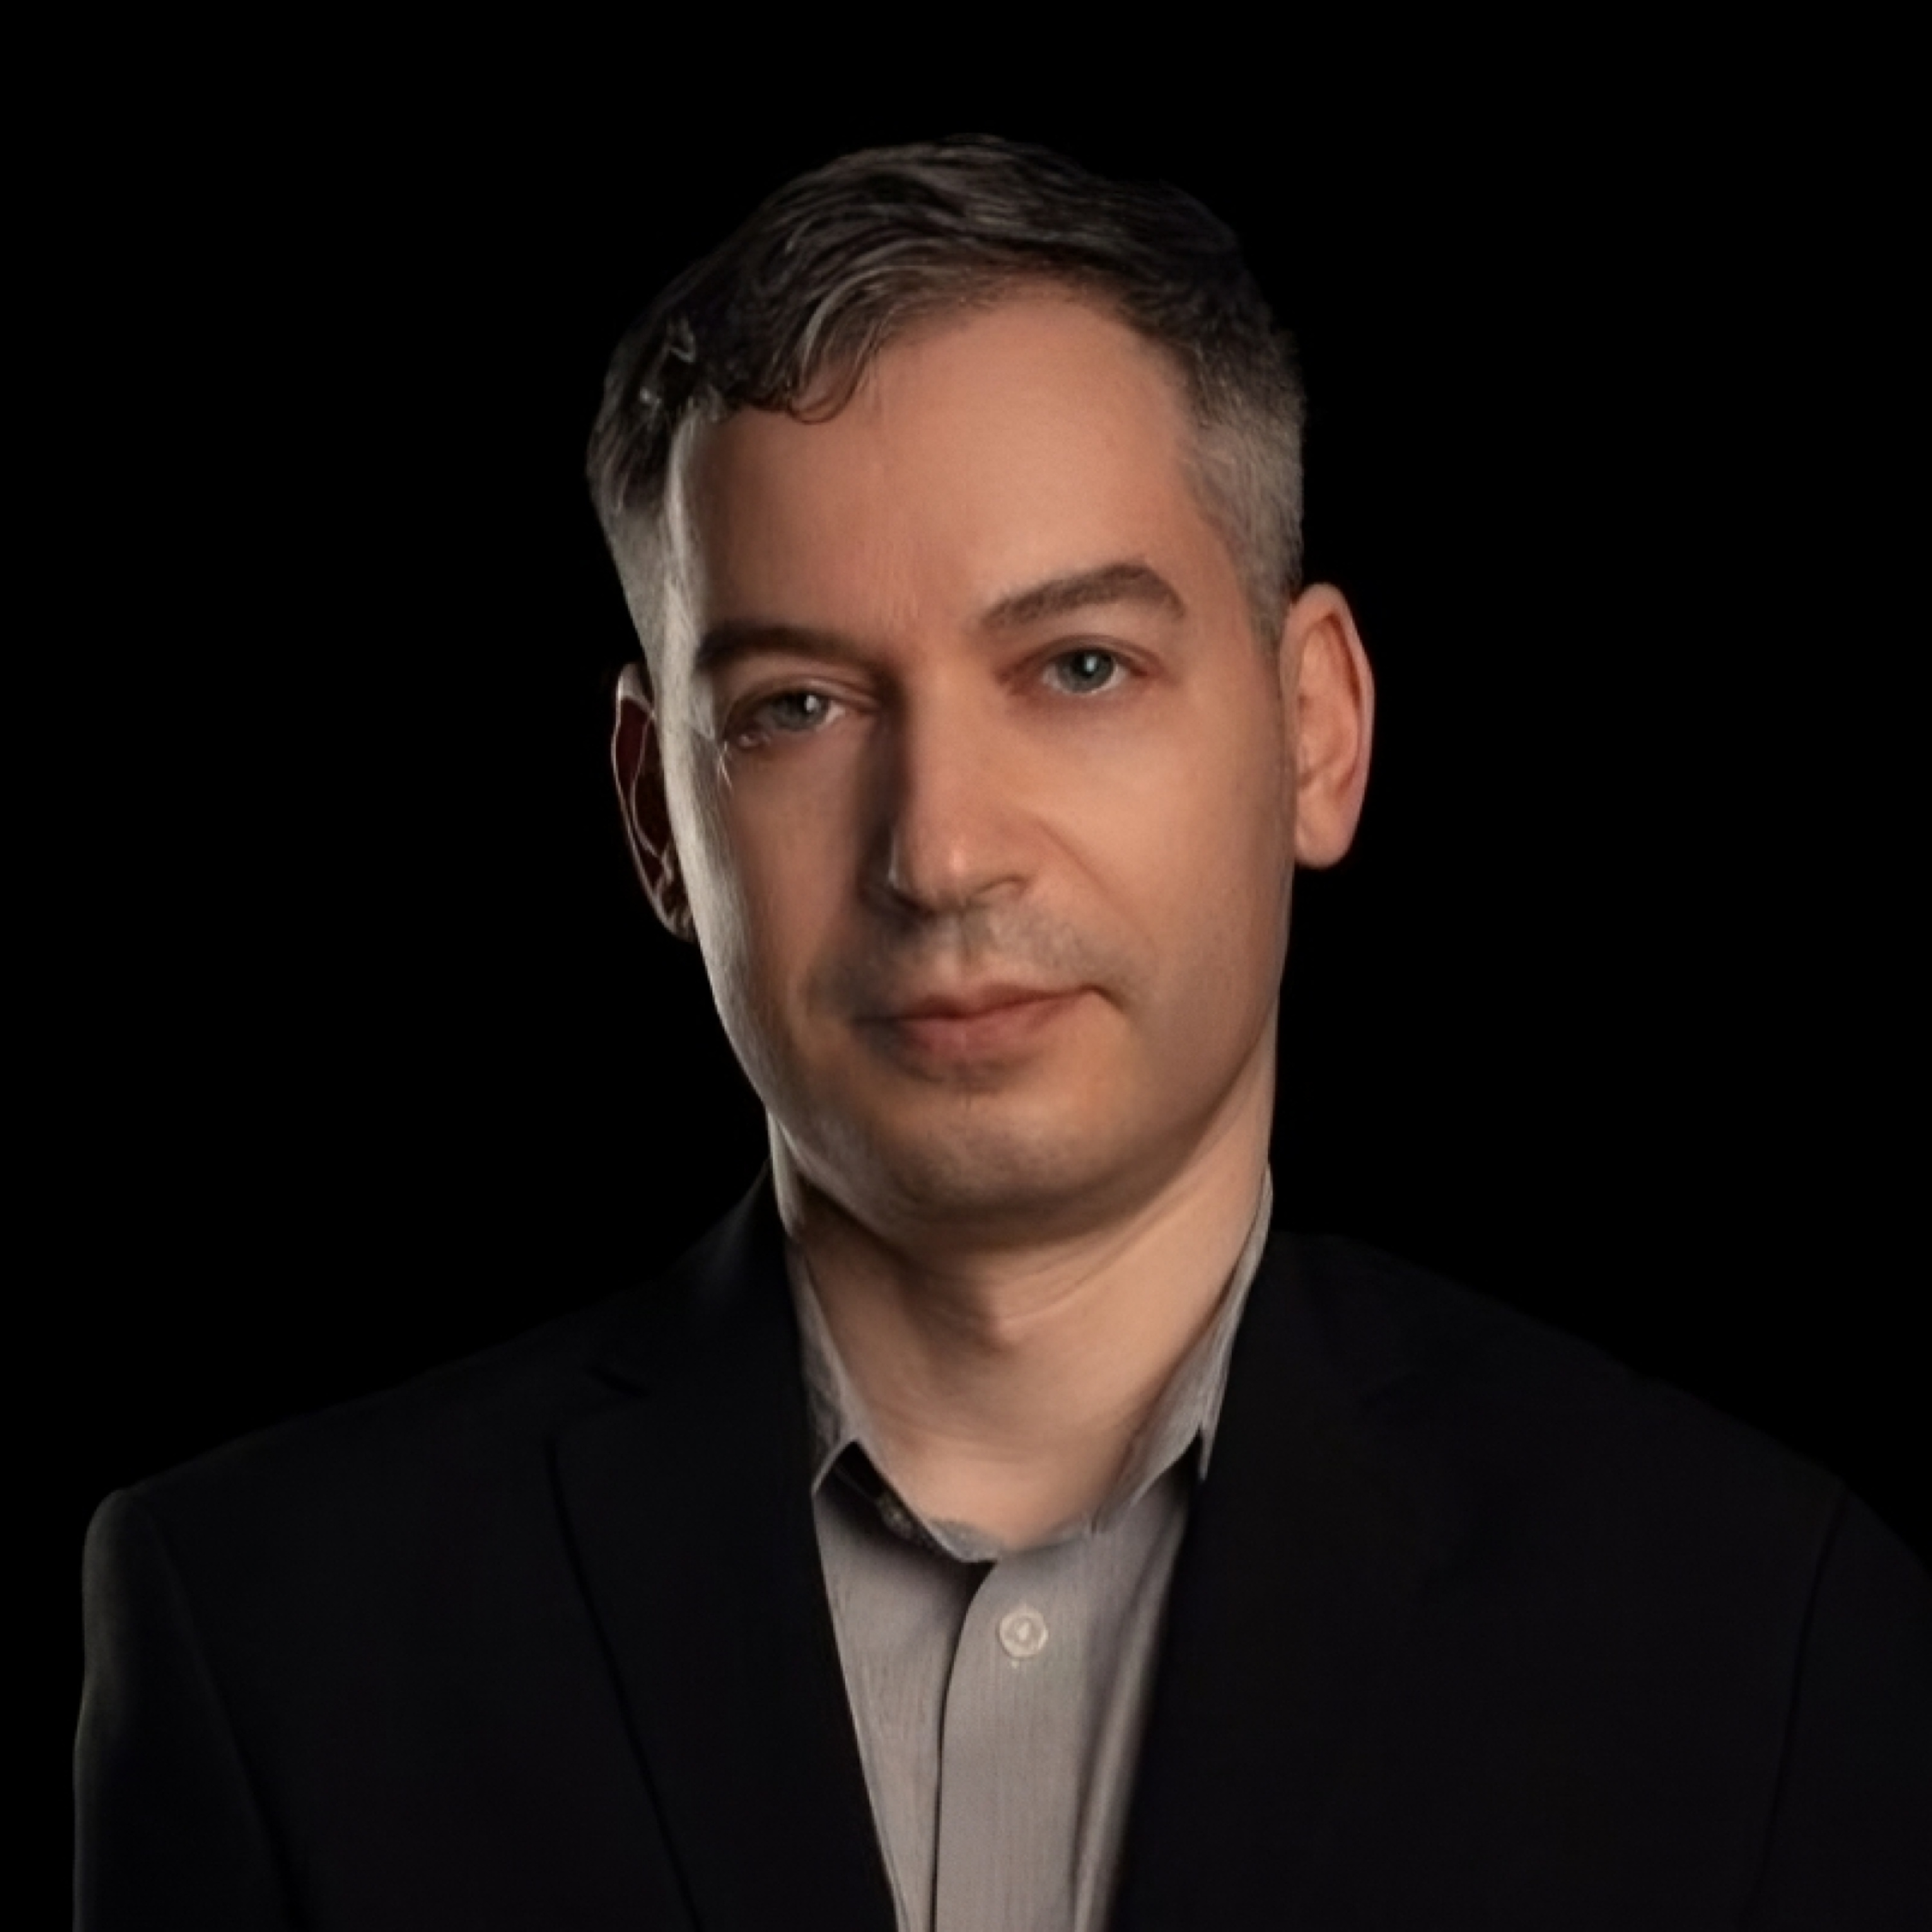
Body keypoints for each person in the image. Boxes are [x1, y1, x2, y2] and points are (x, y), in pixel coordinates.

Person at [75, 135, 1929, 1931]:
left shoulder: (1757, 1633)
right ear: (655, 816)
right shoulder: (273, 1633)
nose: (943, 849)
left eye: (1080, 667)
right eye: (798, 706)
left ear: (1317, 729)